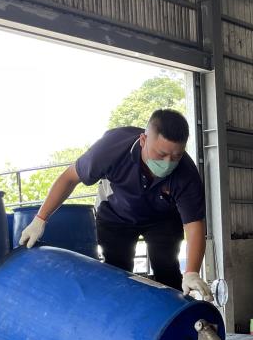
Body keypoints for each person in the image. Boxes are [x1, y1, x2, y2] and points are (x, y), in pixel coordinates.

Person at [20, 109, 211, 301]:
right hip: (115, 214)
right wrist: (40, 219)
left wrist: (192, 272)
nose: (168, 162)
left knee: (167, 269)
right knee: (117, 270)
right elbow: (70, 178)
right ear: (143, 140)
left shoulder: (187, 174)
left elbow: (194, 226)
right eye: (161, 154)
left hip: (162, 219)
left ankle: (172, 323)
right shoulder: (111, 148)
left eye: (176, 156)